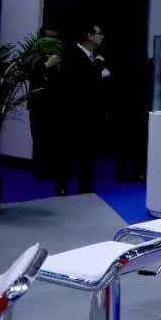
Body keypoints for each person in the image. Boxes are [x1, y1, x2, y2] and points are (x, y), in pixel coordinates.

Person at [53, 22, 110, 196]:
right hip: (74, 114)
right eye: (99, 34)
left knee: (89, 151)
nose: (102, 37)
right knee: (68, 151)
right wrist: (97, 67)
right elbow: (79, 81)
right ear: (89, 36)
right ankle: (62, 186)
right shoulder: (72, 55)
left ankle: (85, 185)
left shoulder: (94, 56)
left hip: (92, 114)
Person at [27, 26, 62, 179]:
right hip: (38, 103)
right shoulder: (34, 54)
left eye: (55, 38)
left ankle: (53, 169)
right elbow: (30, 75)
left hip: (55, 103)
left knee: (54, 137)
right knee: (39, 137)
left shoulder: (60, 55)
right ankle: (40, 170)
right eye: (49, 37)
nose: (52, 41)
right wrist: (47, 65)